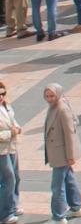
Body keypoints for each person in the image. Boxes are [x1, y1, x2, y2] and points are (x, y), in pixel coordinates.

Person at [42, 84, 81, 224]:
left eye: (52, 96)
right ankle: (76, 207)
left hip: (61, 154)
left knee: (57, 186)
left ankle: (59, 216)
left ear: (58, 94)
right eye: (47, 96)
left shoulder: (62, 109)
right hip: (58, 152)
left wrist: (70, 156)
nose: (49, 99)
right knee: (69, 179)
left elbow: (70, 133)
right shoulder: (55, 107)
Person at [0, 79, 18, 224]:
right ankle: (6, 213)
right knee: (8, 179)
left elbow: (13, 122)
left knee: (16, 177)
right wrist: (11, 133)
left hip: (12, 147)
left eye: (3, 94)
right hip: (1, 151)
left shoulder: (6, 106)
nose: (1, 97)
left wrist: (17, 128)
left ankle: (13, 204)